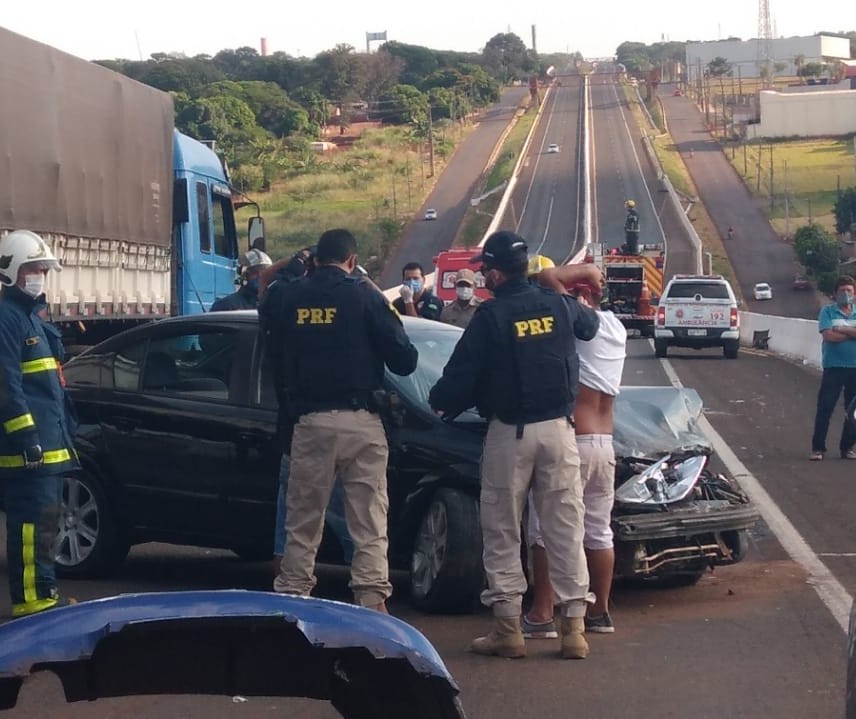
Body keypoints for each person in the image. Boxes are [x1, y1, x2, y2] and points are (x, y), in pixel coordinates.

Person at [428, 230, 603, 660]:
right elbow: (592, 324)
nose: (481, 278)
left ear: (495, 271)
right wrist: (557, 283)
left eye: (484, 270)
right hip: (561, 434)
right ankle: (574, 630)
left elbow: (461, 377)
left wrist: (440, 406)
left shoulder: (491, 317)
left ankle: (508, 629)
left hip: (511, 434)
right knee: (565, 528)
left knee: (503, 527)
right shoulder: (559, 306)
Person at [265, 228, 418, 612]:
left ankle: (293, 599)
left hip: (310, 423)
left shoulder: (290, 296)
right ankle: (371, 602)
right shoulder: (366, 295)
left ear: (314, 259)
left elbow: (266, 296)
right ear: (352, 260)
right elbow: (405, 359)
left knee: (302, 520)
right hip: (361, 422)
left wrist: (292, 269)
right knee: (368, 520)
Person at [522, 271, 627, 638]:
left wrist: (582, 271)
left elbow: (545, 276)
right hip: (603, 442)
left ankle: (542, 612)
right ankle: (600, 612)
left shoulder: (580, 326)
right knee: (598, 531)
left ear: (580, 297)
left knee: (544, 529)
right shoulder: (617, 329)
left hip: (573, 440)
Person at [0, 229, 80, 617]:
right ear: (13, 270)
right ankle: (33, 605)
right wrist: (27, 437)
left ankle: (43, 595)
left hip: (48, 448)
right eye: (34, 268)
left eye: (44, 269)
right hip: (30, 453)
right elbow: (6, 385)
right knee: (32, 529)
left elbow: (49, 388)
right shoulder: (7, 319)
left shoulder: (31, 318)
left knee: (46, 525)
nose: (40, 276)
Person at [810, 275, 856, 460]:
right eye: (842, 291)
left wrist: (841, 329)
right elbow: (828, 336)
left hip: (855, 368)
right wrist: (852, 334)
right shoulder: (827, 312)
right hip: (833, 367)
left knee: (852, 412)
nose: (846, 294)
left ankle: (847, 448)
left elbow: (835, 333)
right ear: (835, 294)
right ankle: (818, 448)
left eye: (849, 291)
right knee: (825, 408)